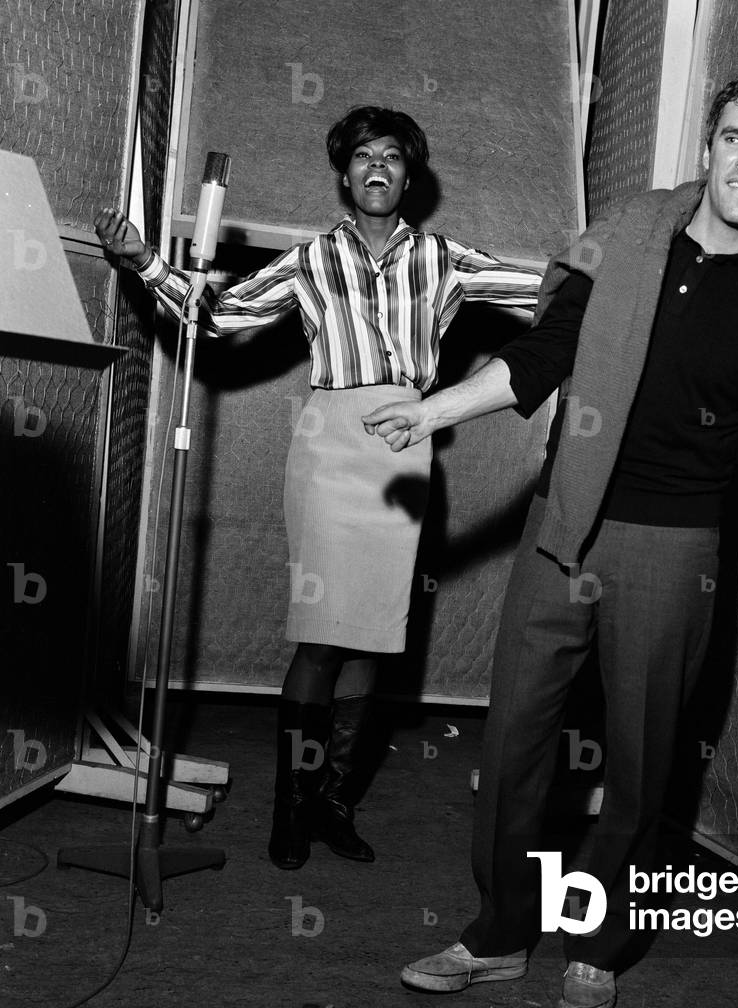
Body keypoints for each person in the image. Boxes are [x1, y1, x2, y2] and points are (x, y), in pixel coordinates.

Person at [363, 72, 738, 1008]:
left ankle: (597, 944)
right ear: (708, 146)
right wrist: (434, 408)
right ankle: (500, 930)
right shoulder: (627, 241)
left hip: (672, 547)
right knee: (516, 738)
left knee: (640, 758)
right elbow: (540, 357)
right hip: (564, 520)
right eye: (732, 137)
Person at [94, 106, 542, 872]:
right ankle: (292, 804)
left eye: (392, 157)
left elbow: (548, 292)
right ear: (343, 174)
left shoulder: (444, 258)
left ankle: (335, 799)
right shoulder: (309, 260)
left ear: (409, 175)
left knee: (373, 631)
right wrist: (144, 264)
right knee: (323, 633)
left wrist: (624, 274)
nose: (377, 168)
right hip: (328, 447)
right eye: (363, 156)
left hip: (407, 444)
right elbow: (224, 313)